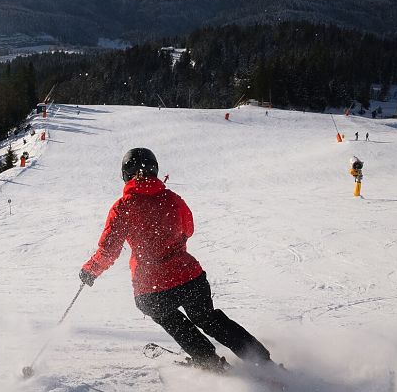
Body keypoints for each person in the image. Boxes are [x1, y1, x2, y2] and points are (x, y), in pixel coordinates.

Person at [79, 147, 272, 371]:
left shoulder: (123, 207)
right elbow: (188, 229)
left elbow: (109, 250)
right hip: (190, 277)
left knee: (164, 314)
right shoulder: (172, 199)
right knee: (208, 318)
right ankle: (262, 360)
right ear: (155, 171)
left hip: (152, 288)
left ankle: (209, 361)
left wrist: (90, 270)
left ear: (125, 174)